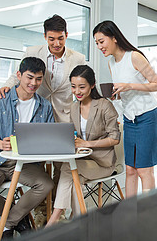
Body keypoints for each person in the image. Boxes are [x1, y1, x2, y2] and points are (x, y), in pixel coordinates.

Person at [0, 14, 86, 222]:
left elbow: (83, 84)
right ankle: (40, 211)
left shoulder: (77, 58)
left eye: (61, 38)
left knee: (61, 166)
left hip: (63, 116)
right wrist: (6, 87)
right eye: (51, 38)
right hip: (37, 114)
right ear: (45, 36)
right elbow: (18, 74)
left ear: (67, 36)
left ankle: (57, 211)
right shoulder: (32, 52)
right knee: (38, 166)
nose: (56, 43)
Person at [0, 57, 55, 239]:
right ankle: (19, 218)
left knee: (46, 184)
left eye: (39, 79)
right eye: (30, 77)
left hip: (25, 164)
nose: (34, 83)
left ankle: (7, 224)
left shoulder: (45, 106)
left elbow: (48, 137)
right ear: (19, 75)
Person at [93, 20, 157, 198]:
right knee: (130, 170)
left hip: (147, 116)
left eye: (102, 41)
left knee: (144, 170)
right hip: (129, 119)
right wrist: (116, 95)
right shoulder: (111, 64)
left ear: (114, 38)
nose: (99, 46)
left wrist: (129, 85)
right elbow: (123, 91)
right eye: (97, 43)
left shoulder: (134, 56)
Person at [45, 65, 120, 226]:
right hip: (83, 160)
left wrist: (87, 143)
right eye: (73, 87)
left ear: (92, 85)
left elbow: (115, 138)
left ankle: (54, 218)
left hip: (103, 163)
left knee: (68, 169)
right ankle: (79, 224)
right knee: (73, 177)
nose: (77, 91)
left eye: (81, 87)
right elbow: (74, 135)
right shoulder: (73, 107)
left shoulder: (104, 105)